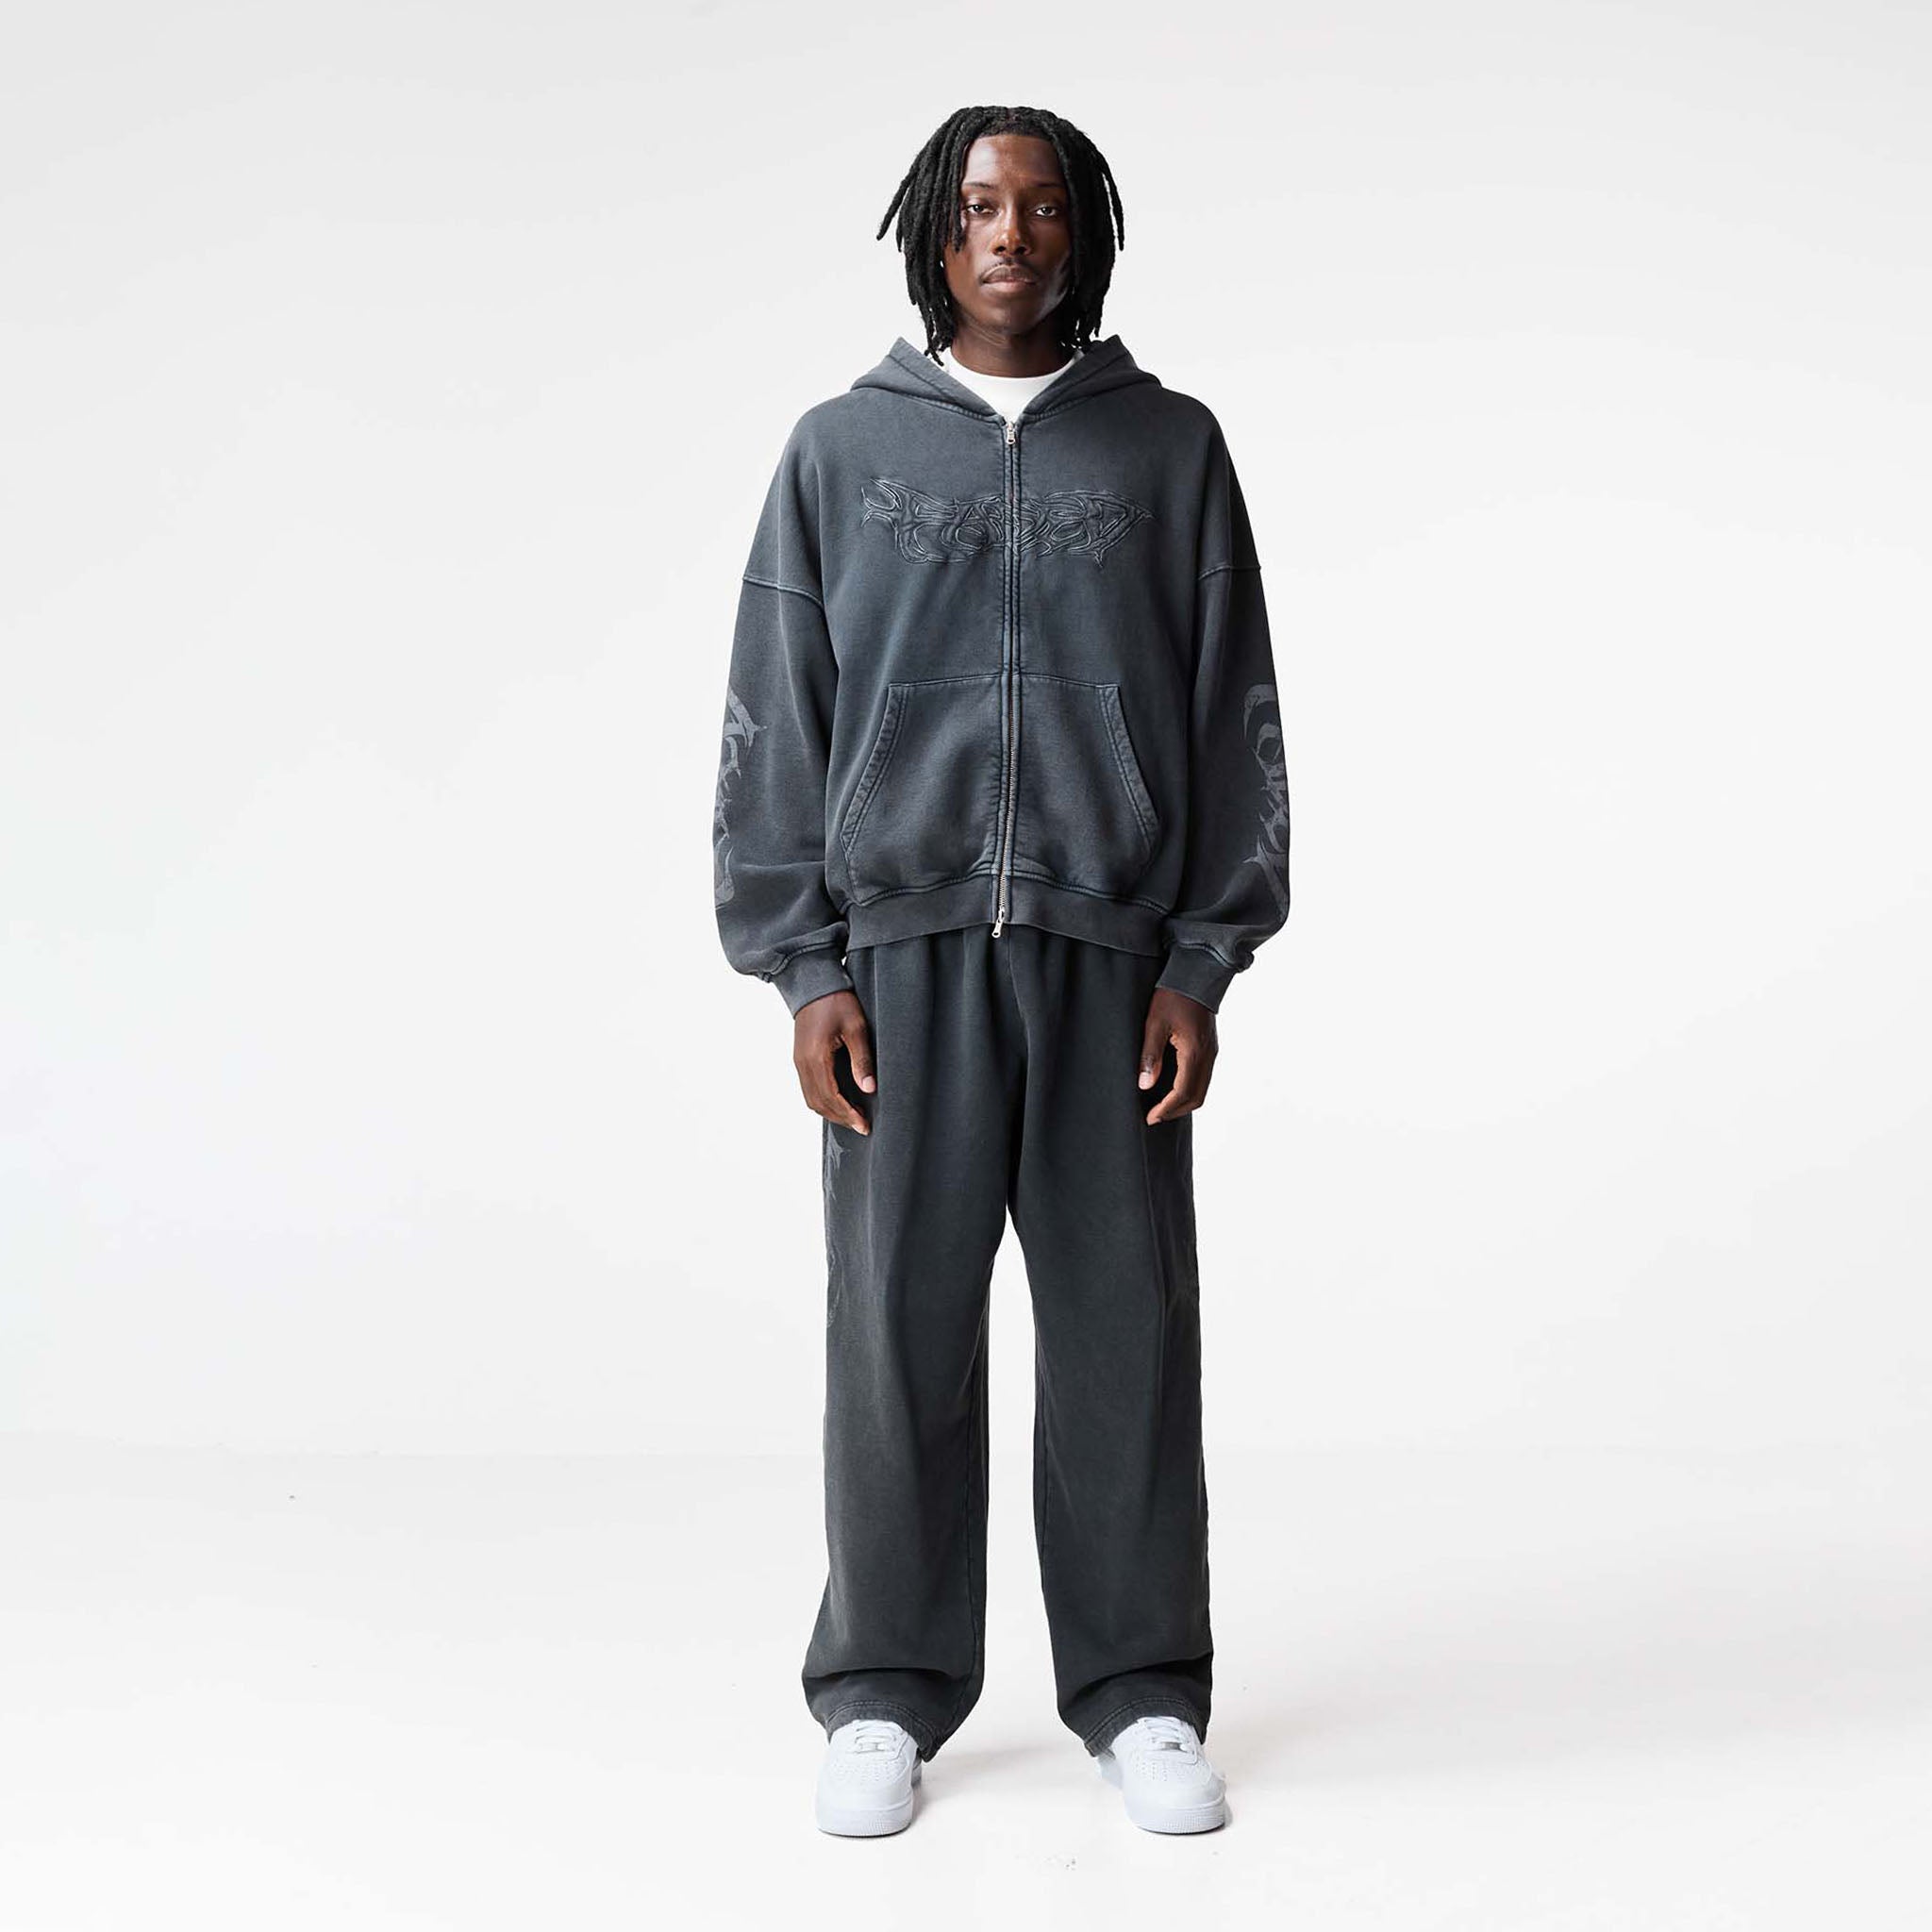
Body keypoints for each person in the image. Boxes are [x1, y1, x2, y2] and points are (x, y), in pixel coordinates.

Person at [711, 104, 1290, 1837]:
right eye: (978, 204)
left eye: (1040, 206)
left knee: (1125, 1338)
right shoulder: (838, 451)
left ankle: (1142, 1692)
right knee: (896, 1338)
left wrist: (1203, 957)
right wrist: (804, 967)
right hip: (900, 969)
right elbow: (778, 714)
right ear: (934, 231)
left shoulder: (1169, 449)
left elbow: (1232, 709)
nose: (1010, 234)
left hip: (1115, 964)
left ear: (1082, 231)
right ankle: (885, 1692)